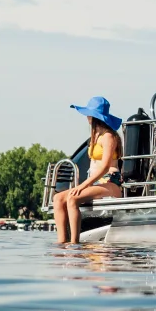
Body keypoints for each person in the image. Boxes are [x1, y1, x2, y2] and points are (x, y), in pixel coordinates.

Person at [52, 96, 123, 246]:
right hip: (96, 182)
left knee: (73, 198)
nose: (86, 117)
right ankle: (61, 243)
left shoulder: (108, 137)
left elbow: (105, 167)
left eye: (88, 114)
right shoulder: (95, 136)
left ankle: (74, 243)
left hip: (110, 182)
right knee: (58, 199)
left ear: (94, 116)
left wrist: (83, 185)